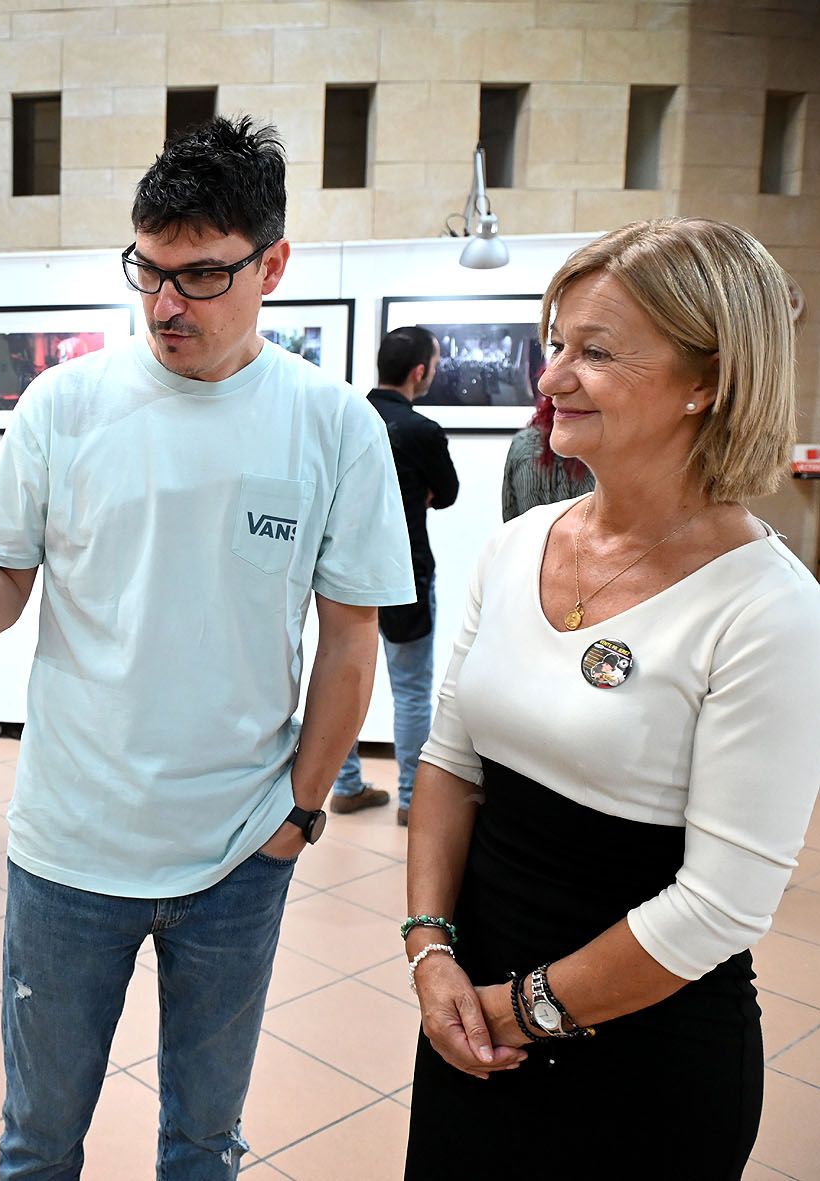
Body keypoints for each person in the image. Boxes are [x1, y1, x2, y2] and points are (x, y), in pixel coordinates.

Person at [0, 115, 414, 1180]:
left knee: (203, 1143)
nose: (165, 305)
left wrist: (297, 815)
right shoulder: (64, 406)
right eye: (147, 272)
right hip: (68, 848)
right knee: (37, 1141)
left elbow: (350, 648)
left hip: (238, 854)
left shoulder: (333, 425)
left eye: (201, 275)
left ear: (273, 265)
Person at [403, 218, 820, 1179]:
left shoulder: (768, 609)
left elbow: (720, 904)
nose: (550, 377)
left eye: (594, 351)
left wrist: (517, 1008)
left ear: (706, 379)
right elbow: (450, 763)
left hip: (643, 1057)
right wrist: (432, 955)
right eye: (555, 344)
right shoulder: (517, 546)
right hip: (469, 1018)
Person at [330, 327, 459, 826]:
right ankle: (410, 800)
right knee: (410, 690)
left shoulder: (346, 418)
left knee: (339, 679)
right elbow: (444, 493)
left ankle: (344, 786)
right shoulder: (422, 430)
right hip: (406, 572)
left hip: (342, 571)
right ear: (419, 372)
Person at [500, 393, 594, 521]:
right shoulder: (601, 449)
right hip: (583, 539)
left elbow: (509, 516)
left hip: (530, 539)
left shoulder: (521, 444)